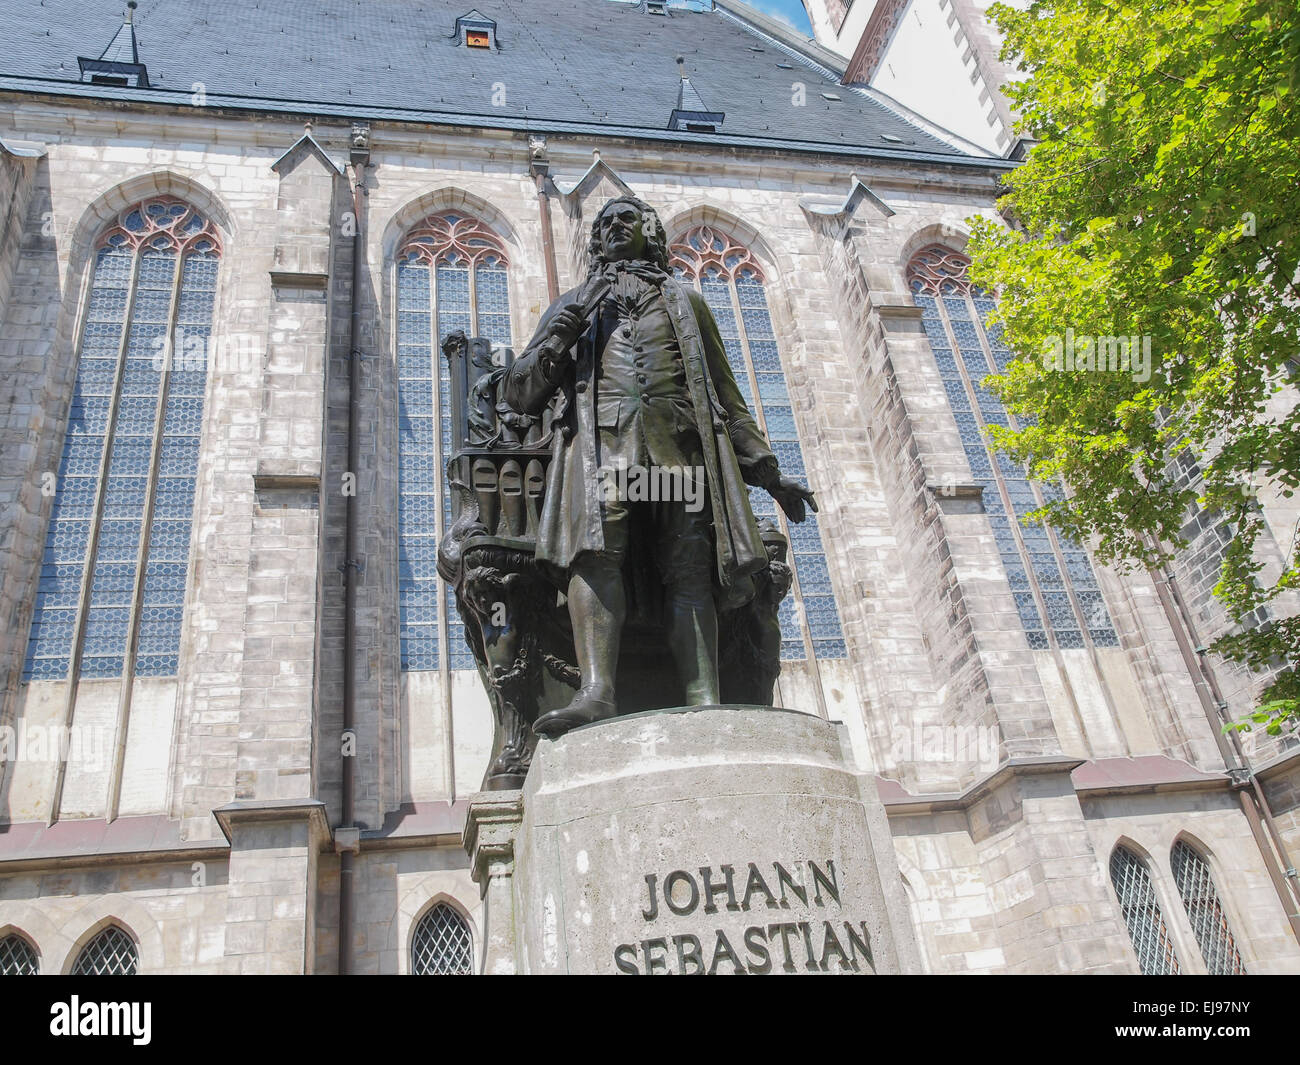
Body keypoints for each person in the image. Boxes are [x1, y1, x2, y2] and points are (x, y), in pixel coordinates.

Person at [501, 196, 815, 737]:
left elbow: (726, 395)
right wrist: (561, 334)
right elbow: (519, 393)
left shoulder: (686, 303)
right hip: (601, 450)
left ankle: (704, 697)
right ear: (595, 243)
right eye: (605, 224)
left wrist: (768, 473)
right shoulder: (572, 305)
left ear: (651, 233)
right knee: (594, 557)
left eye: (628, 220)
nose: (615, 229)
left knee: (690, 569)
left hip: (679, 451)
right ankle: (597, 692)